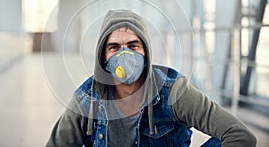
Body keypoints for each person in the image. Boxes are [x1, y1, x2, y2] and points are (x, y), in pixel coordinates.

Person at [46, 10, 256, 147]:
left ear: (146, 52)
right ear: (103, 57)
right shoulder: (86, 99)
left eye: (133, 45)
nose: (124, 55)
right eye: (114, 47)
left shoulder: (174, 91)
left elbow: (240, 136)